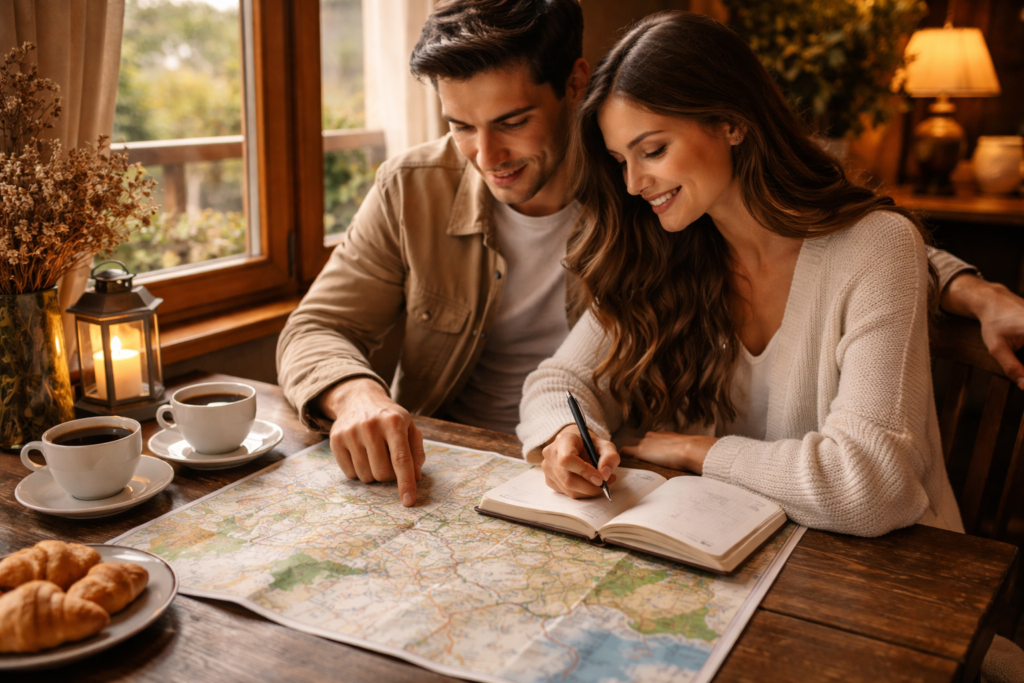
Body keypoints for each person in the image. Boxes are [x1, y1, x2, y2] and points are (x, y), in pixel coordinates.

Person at [278, 0, 1024, 510]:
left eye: (511, 120)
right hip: (548, 491)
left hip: (833, 550)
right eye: (459, 126)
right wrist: (561, 431)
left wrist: (966, 285)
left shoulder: (659, 211)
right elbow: (554, 380)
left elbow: (859, 243)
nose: (484, 155)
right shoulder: (663, 229)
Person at [517, 10, 962, 537]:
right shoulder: (663, 250)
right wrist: (567, 434)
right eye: (620, 160)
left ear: (732, 122)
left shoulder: (876, 247)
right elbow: (559, 382)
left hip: (887, 568)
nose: (633, 184)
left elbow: (870, 485)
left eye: (653, 150)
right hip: (726, 547)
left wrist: (699, 452)